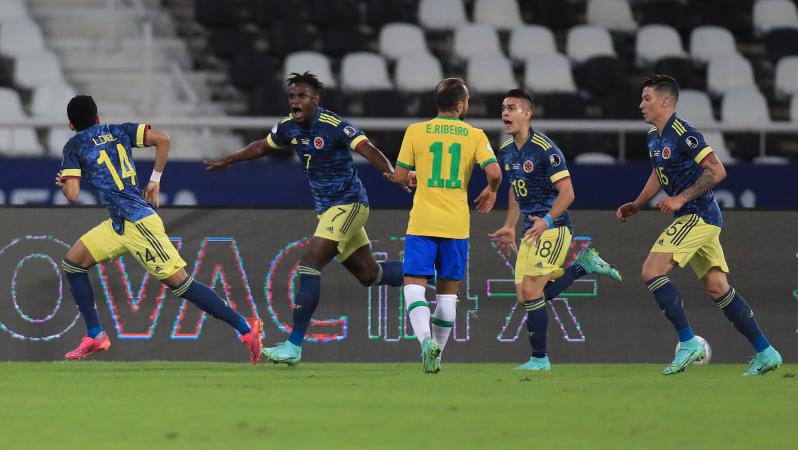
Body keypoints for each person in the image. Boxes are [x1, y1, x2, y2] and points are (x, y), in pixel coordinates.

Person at [204, 72, 406, 366]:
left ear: (315, 100)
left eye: (301, 96)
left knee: (309, 266)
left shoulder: (334, 125)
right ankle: (429, 272)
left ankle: (293, 345)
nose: (295, 101)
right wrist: (228, 160)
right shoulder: (288, 127)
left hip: (349, 204)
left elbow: (367, 149)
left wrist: (389, 172)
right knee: (369, 274)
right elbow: (263, 145)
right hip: (328, 210)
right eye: (292, 96)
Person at [57, 95, 263, 363]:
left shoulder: (73, 146)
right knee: (73, 264)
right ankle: (95, 334)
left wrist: (63, 181)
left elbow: (72, 194)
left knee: (182, 285)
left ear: (71, 125)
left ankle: (246, 328)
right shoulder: (119, 130)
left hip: (138, 224)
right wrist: (155, 180)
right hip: (119, 224)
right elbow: (162, 139)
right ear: (98, 118)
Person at [616, 74, 782, 376]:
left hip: (698, 214)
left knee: (652, 270)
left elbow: (717, 171)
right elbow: (658, 174)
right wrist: (638, 204)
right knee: (718, 288)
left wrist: (680, 198)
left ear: (666, 102)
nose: (641, 105)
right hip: (697, 217)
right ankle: (766, 351)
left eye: (647, 99)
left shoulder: (683, 132)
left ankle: (688, 342)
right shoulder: (654, 136)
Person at [489, 89, 622, 371]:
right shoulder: (507, 151)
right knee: (525, 295)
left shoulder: (546, 148)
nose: (505, 113)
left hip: (555, 226)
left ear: (527, 114)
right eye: (503, 108)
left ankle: (540, 360)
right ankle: (582, 265)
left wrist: (547, 220)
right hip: (530, 228)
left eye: (511, 108)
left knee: (532, 289)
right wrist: (510, 226)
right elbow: (515, 188)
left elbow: (568, 192)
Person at [393, 78, 502, 373]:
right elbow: (494, 172)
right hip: (456, 226)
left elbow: (400, 177)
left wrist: (415, 175)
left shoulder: (416, 132)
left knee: (414, 286)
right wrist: (491, 190)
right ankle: (437, 356)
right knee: (447, 293)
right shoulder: (474, 135)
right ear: (460, 105)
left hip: (423, 223)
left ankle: (425, 341)